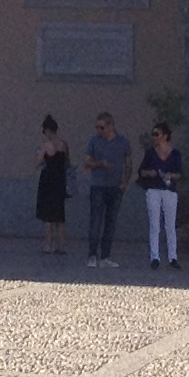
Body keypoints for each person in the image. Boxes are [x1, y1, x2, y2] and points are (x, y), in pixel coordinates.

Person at [80, 112, 130, 266]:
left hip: (115, 187)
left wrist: (125, 183)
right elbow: (86, 163)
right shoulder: (94, 141)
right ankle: (92, 256)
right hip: (98, 186)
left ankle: (105, 256)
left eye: (101, 127)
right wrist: (99, 164)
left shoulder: (123, 141)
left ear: (110, 126)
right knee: (96, 221)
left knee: (111, 222)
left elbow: (128, 162)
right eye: (97, 127)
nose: (99, 130)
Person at [137, 123, 185, 269]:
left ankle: (172, 257)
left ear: (165, 136)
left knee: (170, 225)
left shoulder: (175, 154)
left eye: (156, 134)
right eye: (153, 134)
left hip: (169, 190)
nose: (154, 137)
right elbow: (141, 171)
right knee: (154, 224)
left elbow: (180, 173)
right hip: (153, 189)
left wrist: (171, 175)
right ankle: (155, 257)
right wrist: (149, 173)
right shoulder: (150, 153)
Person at [34, 116, 71, 257]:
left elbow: (37, 163)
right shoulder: (64, 145)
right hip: (60, 180)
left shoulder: (45, 146)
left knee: (47, 215)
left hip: (48, 180)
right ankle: (62, 245)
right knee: (60, 214)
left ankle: (48, 244)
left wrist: (38, 154)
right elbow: (67, 162)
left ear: (47, 130)